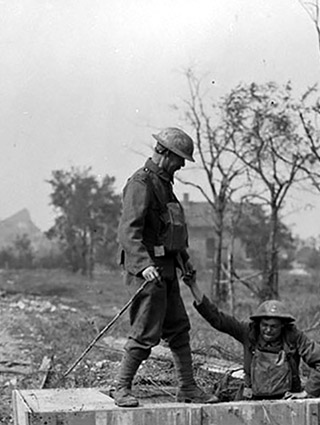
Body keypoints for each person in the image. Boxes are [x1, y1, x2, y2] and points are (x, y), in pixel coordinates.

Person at [112, 127, 219, 407]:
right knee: (145, 330)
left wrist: (184, 262)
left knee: (179, 329)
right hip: (147, 272)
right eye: (179, 158)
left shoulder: (165, 184)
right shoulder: (141, 183)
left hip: (167, 268)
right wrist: (144, 264)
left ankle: (188, 388)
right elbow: (128, 232)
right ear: (165, 154)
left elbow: (170, 232)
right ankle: (121, 388)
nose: (182, 164)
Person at [183, 273, 320, 400]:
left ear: (283, 326)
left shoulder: (293, 336)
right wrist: (193, 286)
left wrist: (308, 392)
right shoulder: (248, 332)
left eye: (273, 327)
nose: (268, 330)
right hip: (251, 397)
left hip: (286, 398)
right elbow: (218, 319)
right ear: (258, 323)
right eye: (264, 325)